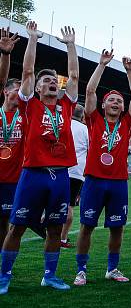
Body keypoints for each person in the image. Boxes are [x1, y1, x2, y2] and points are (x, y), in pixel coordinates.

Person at [0, 22, 79, 294]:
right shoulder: (29, 105)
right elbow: (28, 71)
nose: (51, 84)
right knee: (17, 226)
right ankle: (4, 276)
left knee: (56, 228)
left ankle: (50, 275)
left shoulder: (66, 106)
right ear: (37, 88)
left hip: (60, 176)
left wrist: (70, 46)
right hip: (33, 174)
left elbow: (74, 76)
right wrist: (32, 39)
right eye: (46, 81)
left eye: (53, 81)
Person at [73, 50, 131, 286]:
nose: (116, 103)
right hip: (94, 179)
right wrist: (102, 65)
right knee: (87, 226)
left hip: (118, 182)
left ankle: (112, 268)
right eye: (111, 100)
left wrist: (130, 72)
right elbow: (90, 91)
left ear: (123, 108)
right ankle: (81, 270)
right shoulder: (93, 119)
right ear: (103, 105)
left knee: (117, 227)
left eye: (119, 101)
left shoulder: (126, 123)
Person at [0, 27, 22, 247]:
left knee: (6, 223)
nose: (21, 93)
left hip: (13, 180)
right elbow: (1, 80)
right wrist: (5, 55)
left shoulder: (26, 116)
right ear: (6, 92)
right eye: (17, 89)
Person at [62, 105, 88, 249]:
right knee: (69, 205)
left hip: (59, 168)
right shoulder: (85, 129)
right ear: (83, 116)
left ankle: (43, 222)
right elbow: (91, 151)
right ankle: (63, 238)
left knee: (55, 201)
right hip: (76, 171)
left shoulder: (63, 123)